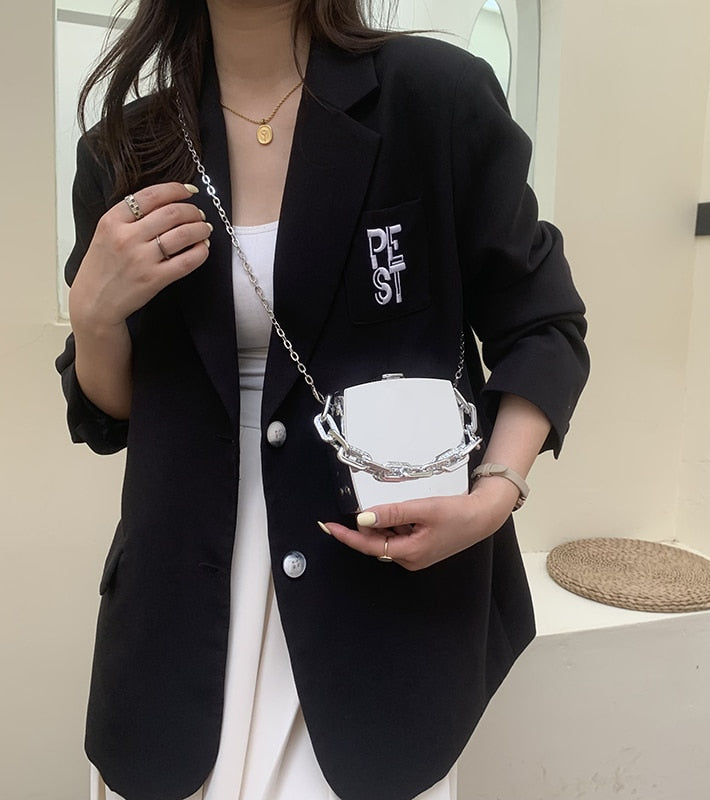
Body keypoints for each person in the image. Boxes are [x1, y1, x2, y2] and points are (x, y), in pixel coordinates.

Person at [55, 1, 589, 799]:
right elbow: (112, 413)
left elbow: (543, 325)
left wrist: (493, 496)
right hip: (178, 612)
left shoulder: (432, 97)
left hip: (376, 597)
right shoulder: (127, 147)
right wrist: (94, 319)